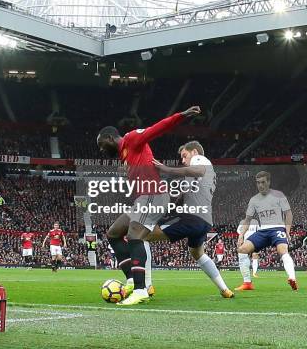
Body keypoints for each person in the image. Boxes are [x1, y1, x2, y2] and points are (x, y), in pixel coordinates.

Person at [96, 106, 201, 306]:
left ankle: (141, 289)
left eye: (102, 145)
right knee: (114, 233)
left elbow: (157, 128)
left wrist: (182, 115)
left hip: (154, 196)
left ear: (110, 138)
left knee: (135, 236)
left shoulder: (131, 138)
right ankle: (131, 281)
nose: (102, 150)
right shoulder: (124, 154)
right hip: (142, 199)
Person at [150, 141, 234, 298]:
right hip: (204, 220)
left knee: (143, 234)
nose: (183, 160)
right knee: (197, 253)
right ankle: (224, 289)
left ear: (194, 152)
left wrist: (166, 169)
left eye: (184, 156)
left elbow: (200, 170)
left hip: (192, 217)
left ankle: (146, 285)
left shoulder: (200, 159)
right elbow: (181, 198)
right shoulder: (193, 177)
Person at [236, 171, 298, 291]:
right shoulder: (253, 200)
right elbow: (247, 220)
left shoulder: (278, 195)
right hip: (263, 231)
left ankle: (292, 278)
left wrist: (287, 231)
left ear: (268, 182)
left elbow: (288, 213)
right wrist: (241, 235)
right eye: (258, 183)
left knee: (282, 250)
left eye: (263, 182)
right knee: (242, 250)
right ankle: (247, 283)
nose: (260, 185)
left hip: (277, 229)